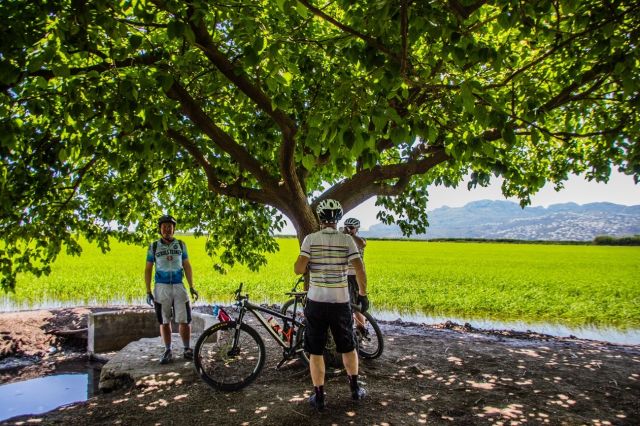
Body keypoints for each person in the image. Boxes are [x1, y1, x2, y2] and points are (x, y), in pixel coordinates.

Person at [294, 199, 369, 411]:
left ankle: (319, 397)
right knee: (348, 346)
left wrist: (308, 262)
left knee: (315, 351)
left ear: (319, 218)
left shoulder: (310, 239)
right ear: (337, 219)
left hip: (316, 303)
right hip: (340, 302)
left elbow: (299, 269)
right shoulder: (347, 240)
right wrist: (362, 294)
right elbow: (360, 269)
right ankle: (354, 389)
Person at [145, 214, 199, 365]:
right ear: (160, 230)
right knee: (164, 321)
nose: (167, 230)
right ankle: (168, 350)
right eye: (164, 227)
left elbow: (187, 265)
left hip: (178, 285)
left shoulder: (181, 245)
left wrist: (192, 286)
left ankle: (187, 349)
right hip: (161, 287)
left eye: (170, 227)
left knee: (185, 320)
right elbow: (148, 269)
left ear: (174, 229)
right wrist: (148, 290)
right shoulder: (154, 246)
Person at [342, 217, 368, 335]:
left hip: (356, 276)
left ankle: (362, 329)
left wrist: (351, 234)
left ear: (357, 229)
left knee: (356, 305)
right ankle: (353, 329)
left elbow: (362, 244)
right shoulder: (343, 239)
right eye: (347, 227)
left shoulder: (359, 240)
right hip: (344, 275)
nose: (349, 229)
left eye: (351, 228)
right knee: (345, 304)